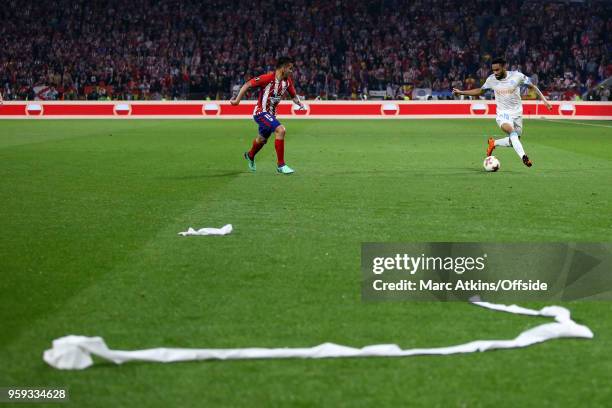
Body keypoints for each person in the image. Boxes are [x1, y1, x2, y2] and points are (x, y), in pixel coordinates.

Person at [453, 57, 552, 167]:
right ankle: (524, 157)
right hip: (503, 113)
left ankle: (493, 143)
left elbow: (533, 86)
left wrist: (545, 101)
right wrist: (461, 92)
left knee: (513, 141)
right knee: (511, 132)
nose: (495, 73)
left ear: (504, 67)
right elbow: (479, 91)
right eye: (493, 70)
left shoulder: (517, 76)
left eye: (497, 70)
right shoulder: (491, 79)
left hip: (517, 113)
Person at [230, 57, 305, 174]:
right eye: (290, 69)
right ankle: (281, 165)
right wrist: (237, 101)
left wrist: (300, 103)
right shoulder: (267, 78)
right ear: (283, 68)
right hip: (261, 112)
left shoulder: (287, 81)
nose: (292, 71)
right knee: (281, 130)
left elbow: (293, 96)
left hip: (271, 115)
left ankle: (250, 155)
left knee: (261, 139)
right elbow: (247, 84)